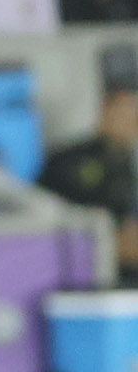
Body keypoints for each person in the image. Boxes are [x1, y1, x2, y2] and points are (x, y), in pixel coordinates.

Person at [38, 85, 138, 277]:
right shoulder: (69, 161)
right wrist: (108, 238)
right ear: (104, 111)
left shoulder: (129, 161)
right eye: (120, 109)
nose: (127, 119)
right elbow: (44, 209)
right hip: (87, 259)